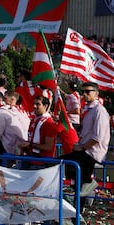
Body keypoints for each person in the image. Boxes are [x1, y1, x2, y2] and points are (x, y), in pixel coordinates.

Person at [59, 82, 110, 214]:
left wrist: (81, 147)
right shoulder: (88, 110)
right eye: (83, 92)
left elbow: (97, 137)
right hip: (85, 150)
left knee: (62, 163)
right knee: (78, 186)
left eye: (88, 92)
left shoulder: (99, 111)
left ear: (96, 93)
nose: (85, 94)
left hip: (91, 152)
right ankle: (77, 213)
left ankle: (90, 182)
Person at [18, 91, 58, 169]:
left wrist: (30, 144)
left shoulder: (49, 123)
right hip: (30, 159)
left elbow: (48, 147)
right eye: (34, 104)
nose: (34, 106)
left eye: (38, 104)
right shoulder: (34, 120)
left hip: (42, 164)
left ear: (45, 106)